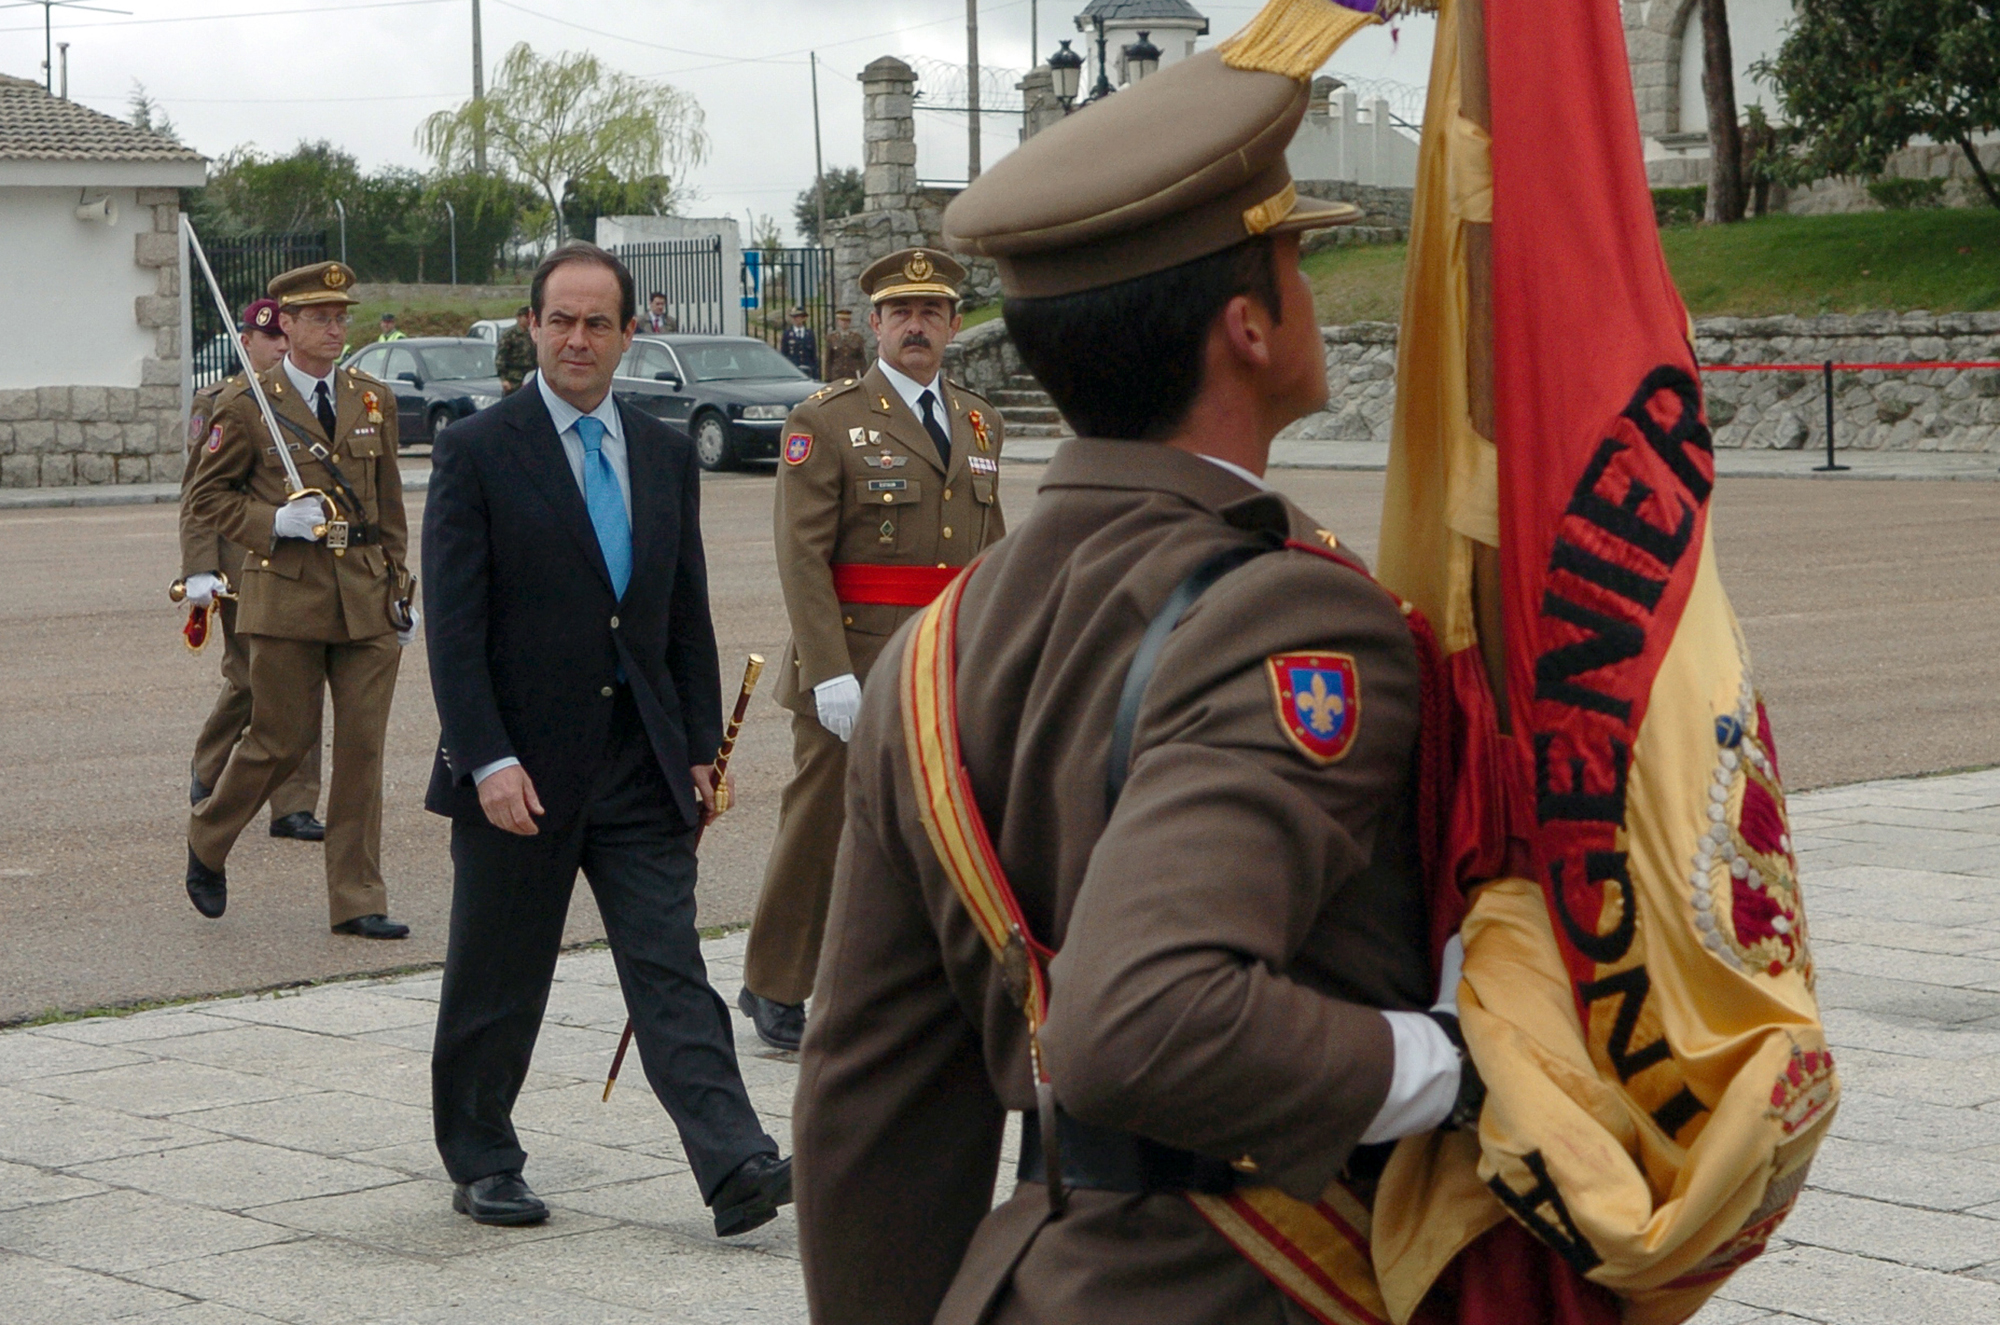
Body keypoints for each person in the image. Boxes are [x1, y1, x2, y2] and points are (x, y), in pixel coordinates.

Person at [792, 38, 1476, 1325]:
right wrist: (1451, 1061)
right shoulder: (1287, 614)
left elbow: (865, 1105)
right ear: (1248, 327)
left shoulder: (940, 643)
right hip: (1252, 1282)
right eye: (1296, 266)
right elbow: (1142, 1018)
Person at [422, 241, 792, 1237]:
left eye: (597, 322)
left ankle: (735, 1162)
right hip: (520, 770)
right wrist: (485, 757)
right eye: (560, 320)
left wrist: (699, 744)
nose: (577, 338)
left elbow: (683, 611)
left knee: (669, 964)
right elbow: (453, 630)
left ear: (631, 332)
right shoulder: (477, 450)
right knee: (498, 974)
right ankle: (483, 1155)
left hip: (639, 762)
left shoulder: (663, 449)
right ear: (531, 327)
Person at [738, 248, 1005, 1052]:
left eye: (932, 311)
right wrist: (828, 673)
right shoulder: (825, 418)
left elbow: (991, 550)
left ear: (955, 325)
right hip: (850, 663)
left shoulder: (979, 417)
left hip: (941, 660)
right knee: (821, 822)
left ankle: (917, 981)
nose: (916, 324)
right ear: (875, 325)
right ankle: (776, 983)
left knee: (942, 824)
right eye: (901, 312)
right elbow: (802, 556)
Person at [183, 261, 416, 940]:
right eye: (319, 316)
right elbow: (206, 497)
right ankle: (208, 835)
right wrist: (270, 523)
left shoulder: (371, 398)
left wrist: (402, 585)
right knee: (279, 740)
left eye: (342, 315)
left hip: (366, 596)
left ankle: (356, 897)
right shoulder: (247, 405)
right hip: (286, 595)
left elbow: (390, 504)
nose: (335, 327)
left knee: (363, 751)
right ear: (284, 324)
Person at [177, 297, 324, 843]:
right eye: (272, 339)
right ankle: (210, 768)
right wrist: (198, 569)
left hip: (300, 563)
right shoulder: (217, 401)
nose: (283, 348)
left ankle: (294, 806)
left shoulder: (310, 399)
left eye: (288, 337)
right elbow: (198, 496)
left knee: (303, 681)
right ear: (247, 342)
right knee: (247, 679)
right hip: (242, 564)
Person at [494, 305, 535, 395]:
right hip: (514, 380)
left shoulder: (532, 334)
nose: (529, 320)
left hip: (530, 377)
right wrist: (504, 380)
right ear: (519, 317)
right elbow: (501, 358)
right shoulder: (509, 335)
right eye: (526, 317)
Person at [821, 307, 866, 382]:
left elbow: (861, 359)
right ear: (838, 322)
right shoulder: (831, 338)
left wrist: (863, 374)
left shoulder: (857, 338)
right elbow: (828, 360)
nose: (844, 323)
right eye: (842, 321)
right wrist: (827, 377)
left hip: (852, 374)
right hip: (837, 375)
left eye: (847, 321)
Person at [778, 305, 818, 377]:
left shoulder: (809, 334)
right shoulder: (787, 334)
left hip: (807, 369)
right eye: (794, 317)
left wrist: (815, 371)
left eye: (798, 317)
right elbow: (784, 353)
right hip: (793, 369)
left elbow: (813, 355)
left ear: (804, 318)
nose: (795, 319)